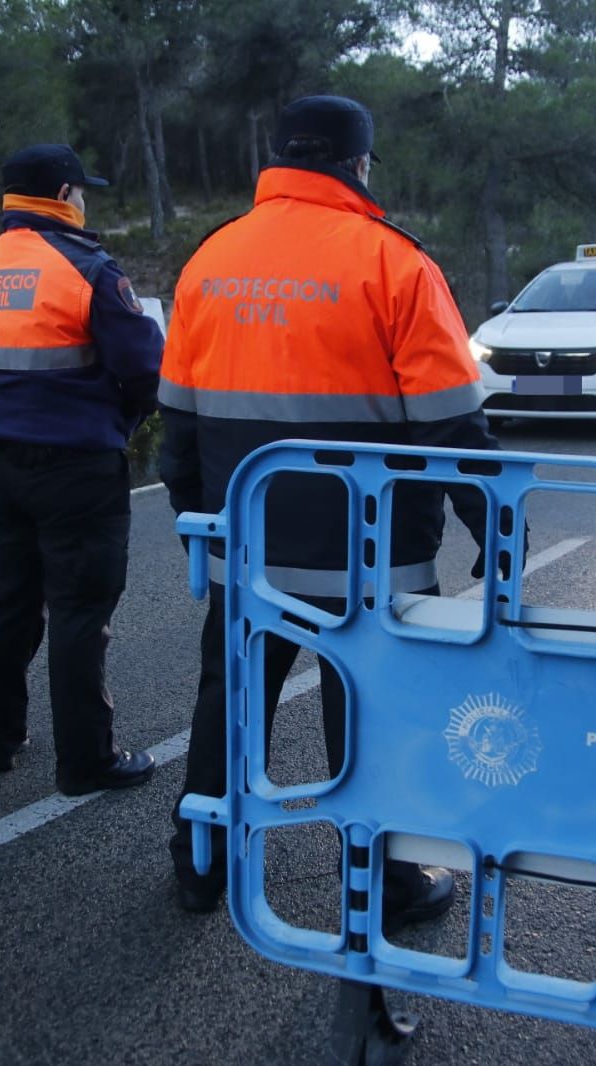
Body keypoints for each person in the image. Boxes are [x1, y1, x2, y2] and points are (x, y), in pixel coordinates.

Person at [157, 95, 498, 923]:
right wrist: (495, 528)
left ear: (276, 160)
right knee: (375, 714)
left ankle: (200, 864)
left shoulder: (211, 259)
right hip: (374, 554)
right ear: (358, 164)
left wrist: (201, 520)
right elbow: (453, 420)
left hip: (247, 545)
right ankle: (388, 880)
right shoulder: (394, 262)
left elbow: (178, 415)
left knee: (231, 703)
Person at [0, 143, 161, 793]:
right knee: (78, 611)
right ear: (66, 195)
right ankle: (86, 761)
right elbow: (147, 370)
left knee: (7, 601)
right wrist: (120, 427)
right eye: (83, 191)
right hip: (76, 468)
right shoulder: (85, 268)